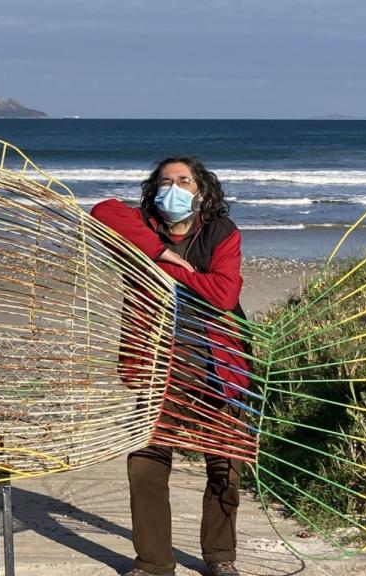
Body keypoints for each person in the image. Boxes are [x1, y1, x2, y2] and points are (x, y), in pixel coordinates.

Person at [91, 157, 247, 576]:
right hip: (157, 363)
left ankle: (220, 557)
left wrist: (163, 272)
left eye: (184, 180)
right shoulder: (142, 226)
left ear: (202, 192)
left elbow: (225, 294)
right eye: (165, 182)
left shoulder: (220, 231)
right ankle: (154, 562)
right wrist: (162, 253)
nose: (173, 188)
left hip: (218, 364)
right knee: (147, 464)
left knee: (225, 465)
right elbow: (102, 210)